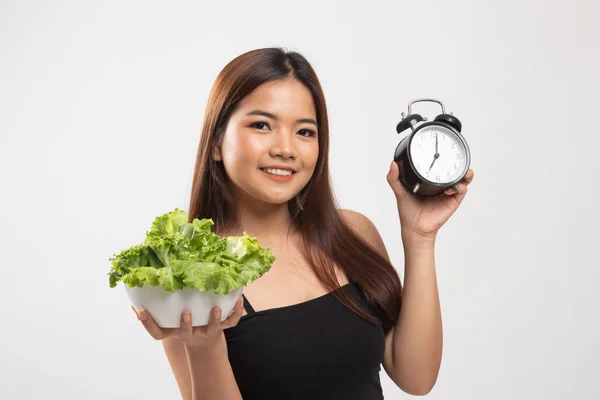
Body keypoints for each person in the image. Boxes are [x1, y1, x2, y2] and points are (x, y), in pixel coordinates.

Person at [131, 47, 475, 400]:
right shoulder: (189, 274)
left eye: (305, 132)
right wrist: (204, 348)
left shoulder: (353, 234)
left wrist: (419, 237)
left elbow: (416, 378)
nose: (286, 148)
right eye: (261, 125)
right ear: (217, 142)